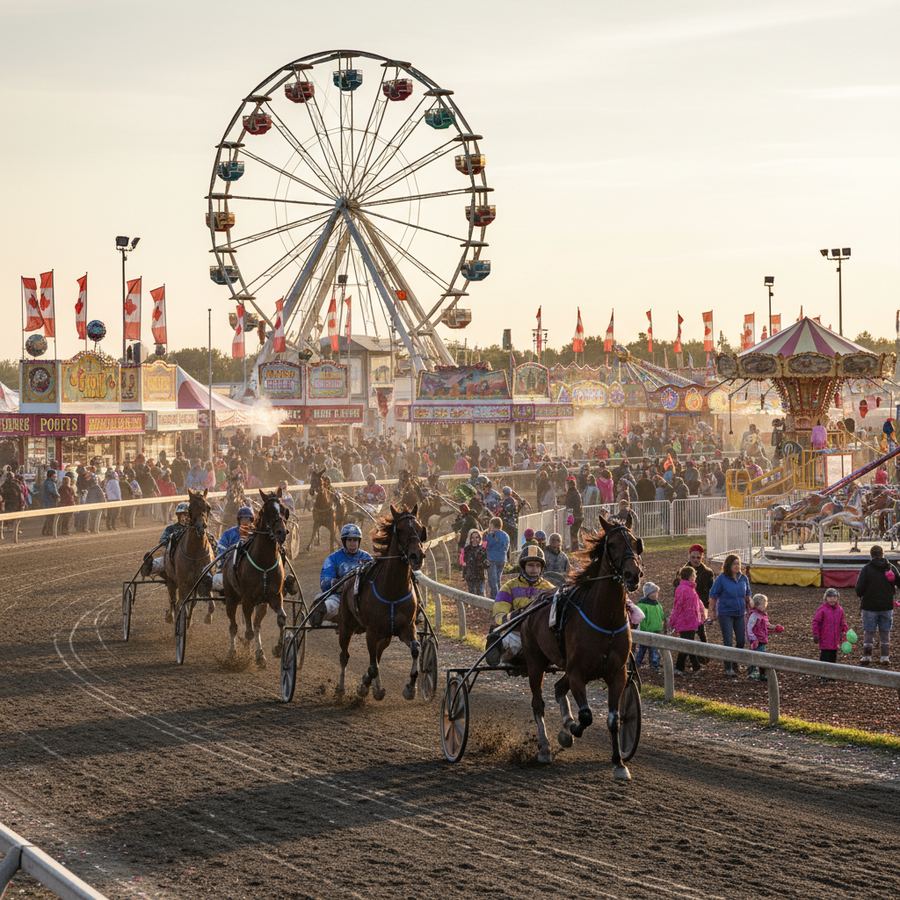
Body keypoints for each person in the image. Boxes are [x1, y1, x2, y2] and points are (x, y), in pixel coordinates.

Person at [485, 546, 554, 665]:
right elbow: (499, 616)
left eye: (538, 566)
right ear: (523, 566)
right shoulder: (509, 586)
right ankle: (498, 652)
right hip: (516, 634)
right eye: (531, 565)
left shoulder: (550, 589)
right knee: (495, 635)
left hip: (540, 638)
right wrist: (516, 615)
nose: (535, 569)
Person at [311, 523, 374, 625]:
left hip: (362, 598)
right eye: (349, 540)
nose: (352, 543)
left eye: (355, 540)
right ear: (344, 541)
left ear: (359, 541)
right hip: (339, 597)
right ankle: (321, 612)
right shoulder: (333, 559)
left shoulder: (367, 558)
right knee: (326, 606)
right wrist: (339, 583)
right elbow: (324, 583)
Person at [854, 544, 898, 665]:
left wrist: (862, 594)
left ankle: (867, 657)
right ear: (882, 554)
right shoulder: (890, 567)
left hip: (869, 606)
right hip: (886, 606)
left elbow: (859, 589)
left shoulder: (866, 568)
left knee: (869, 632)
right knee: (885, 632)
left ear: (871, 555)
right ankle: (884, 657)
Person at [709, 553, 751, 676]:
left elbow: (748, 594)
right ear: (728, 565)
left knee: (741, 641)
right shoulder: (721, 579)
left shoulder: (743, 578)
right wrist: (712, 611)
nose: (737, 566)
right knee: (728, 640)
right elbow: (713, 595)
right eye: (734, 564)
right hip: (725, 613)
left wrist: (752, 604)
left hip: (740, 613)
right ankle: (728, 667)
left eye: (738, 563)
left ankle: (735, 662)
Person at [673, 544, 715, 652]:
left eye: (698, 557)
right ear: (689, 556)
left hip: (700, 608)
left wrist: (709, 608)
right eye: (693, 557)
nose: (696, 560)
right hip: (686, 609)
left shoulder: (707, 572)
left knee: (701, 632)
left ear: (702, 557)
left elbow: (712, 591)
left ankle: (704, 655)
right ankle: (690, 657)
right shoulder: (682, 571)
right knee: (687, 635)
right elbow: (677, 590)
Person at [211, 505, 255, 592]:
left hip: (252, 566)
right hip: (231, 564)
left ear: (251, 521)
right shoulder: (229, 533)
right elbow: (221, 547)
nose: (246, 521)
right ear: (239, 520)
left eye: (248, 519)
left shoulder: (256, 534)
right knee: (218, 580)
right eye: (243, 519)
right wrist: (226, 559)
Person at [670, 566, 705, 676]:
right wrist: (673, 621)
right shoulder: (683, 589)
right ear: (690, 577)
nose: (695, 577)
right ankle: (682, 668)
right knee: (687, 645)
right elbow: (677, 606)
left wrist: (701, 616)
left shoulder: (690, 588)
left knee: (688, 644)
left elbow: (696, 604)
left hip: (691, 621)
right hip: (685, 622)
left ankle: (693, 666)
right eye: (694, 575)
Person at [148, 502, 191, 575]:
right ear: (179, 516)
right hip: (173, 557)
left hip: (191, 556)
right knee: (158, 563)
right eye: (185, 515)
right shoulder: (171, 528)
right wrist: (171, 538)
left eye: (189, 515)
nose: (187, 517)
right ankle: (150, 565)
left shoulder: (194, 530)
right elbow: (162, 540)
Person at [812, 588, 848, 666]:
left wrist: (845, 631)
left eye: (834, 597)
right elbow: (816, 622)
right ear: (826, 598)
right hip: (825, 639)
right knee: (825, 657)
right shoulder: (822, 609)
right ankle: (823, 675)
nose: (832, 599)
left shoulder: (840, 610)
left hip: (835, 639)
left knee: (833, 657)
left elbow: (843, 622)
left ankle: (831, 675)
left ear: (837, 598)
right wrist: (816, 634)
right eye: (830, 597)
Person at [635, 581, 666, 672]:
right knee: (642, 649)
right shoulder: (642, 604)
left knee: (655, 650)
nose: (656, 594)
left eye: (656, 592)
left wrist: (663, 625)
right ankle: (637, 664)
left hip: (656, 630)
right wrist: (640, 629)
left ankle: (654, 665)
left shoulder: (657, 604)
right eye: (654, 592)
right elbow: (639, 618)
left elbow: (661, 615)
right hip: (646, 631)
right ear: (648, 593)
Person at [746, 593, 772, 681]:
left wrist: (775, 628)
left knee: (762, 656)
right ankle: (752, 672)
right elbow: (749, 628)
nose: (765, 607)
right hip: (756, 640)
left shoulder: (763, 615)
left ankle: (762, 674)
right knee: (755, 655)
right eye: (763, 605)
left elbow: (767, 625)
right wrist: (753, 638)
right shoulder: (754, 615)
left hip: (762, 639)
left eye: (765, 605)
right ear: (757, 605)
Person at [485, 517, 510, 597]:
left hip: (492, 559)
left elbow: (487, 546)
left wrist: (487, 536)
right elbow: (507, 547)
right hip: (502, 559)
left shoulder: (492, 535)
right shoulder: (506, 535)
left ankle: (495, 598)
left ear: (492, 525)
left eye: (490, 524)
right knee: (498, 579)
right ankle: (500, 596)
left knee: (492, 580)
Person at [462, 528, 488, 597]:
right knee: (472, 593)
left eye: (477, 537)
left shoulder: (482, 549)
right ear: (470, 539)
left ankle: (482, 607)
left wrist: (486, 564)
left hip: (480, 575)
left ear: (480, 538)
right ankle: (473, 607)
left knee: (481, 592)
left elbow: (486, 562)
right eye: (472, 537)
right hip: (470, 575)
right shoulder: (467, 549)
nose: (475, 539)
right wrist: (464, 574)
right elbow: (465, 563)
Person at [563, 476, 583, 551]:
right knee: (574, 533)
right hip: (579, 515)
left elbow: (568, 504)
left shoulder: (570, 493)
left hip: (574, 516)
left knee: (573, 533)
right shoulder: (577, 492)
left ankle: (575, 549)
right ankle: (575, 548)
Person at [40, 469, 60, 535]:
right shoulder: (50, 483)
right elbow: (53, 492)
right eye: (55, 476)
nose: (56, 477)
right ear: (51, 476)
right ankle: (48, 531)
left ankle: (45, 531)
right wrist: (58, 496)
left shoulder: (46, 482)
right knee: (50, 518)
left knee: (48, 518)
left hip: (47, 502)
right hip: (50, 502)